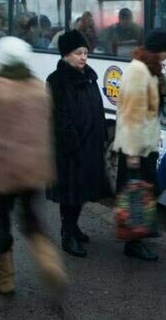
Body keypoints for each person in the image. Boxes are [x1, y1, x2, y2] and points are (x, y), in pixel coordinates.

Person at [0, 36, 66, 294]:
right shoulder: (39, 90)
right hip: (33, 170)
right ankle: (50, 264)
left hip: (0, 174)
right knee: (32, 220)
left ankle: (4, 279)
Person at [46, 30, 112, 258]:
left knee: (82, 192)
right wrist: (72, 142)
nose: (83, 57)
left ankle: (74, 227)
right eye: (78, 53)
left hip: (90, 145)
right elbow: (59, 117)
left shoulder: (89, 76)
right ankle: (67, 233)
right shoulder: (57, 81)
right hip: (71, 150)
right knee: (70, 194)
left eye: (85, 52)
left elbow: (97, 109)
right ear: (66, 55)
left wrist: (101, 135)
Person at [112, 29, 166, 261]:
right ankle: (133, 242)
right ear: (158, 50)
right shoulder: (138, 71)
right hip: (135, 148)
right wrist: (132, 153)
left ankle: (135, 238)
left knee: (145, 191)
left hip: (144, 146)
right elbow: (131, 113)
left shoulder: (150, 70)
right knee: (140, 192)